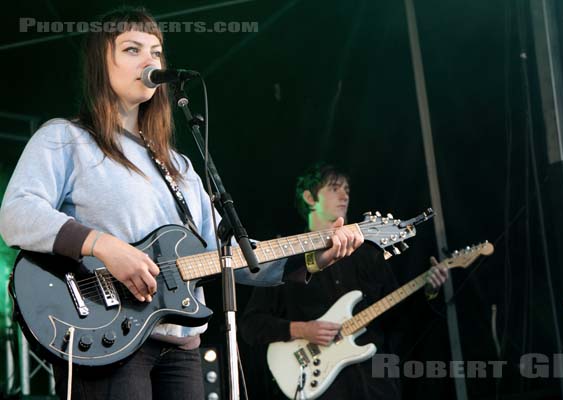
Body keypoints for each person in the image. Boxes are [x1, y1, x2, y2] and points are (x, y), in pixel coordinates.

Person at [0, 8, 363, 400]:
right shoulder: (66, 138)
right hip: (106, 337)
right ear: (99, 63)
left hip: (182, 347)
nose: (150, 61)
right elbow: (17, 213)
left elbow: (227, 255)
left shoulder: (180, 167)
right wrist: (103, 246)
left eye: (156, 52)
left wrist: (309, 258)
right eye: (132, 49)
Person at [240, 163, 448, 399]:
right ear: (310, 197)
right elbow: (251, 325)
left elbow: (397, 320)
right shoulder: (287, 260)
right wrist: (302, 329)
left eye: (347, 189)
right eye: (334, 188)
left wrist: (428, 291)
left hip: (376, 384)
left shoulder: (370, 254)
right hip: (319, 387)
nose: (344, 194)